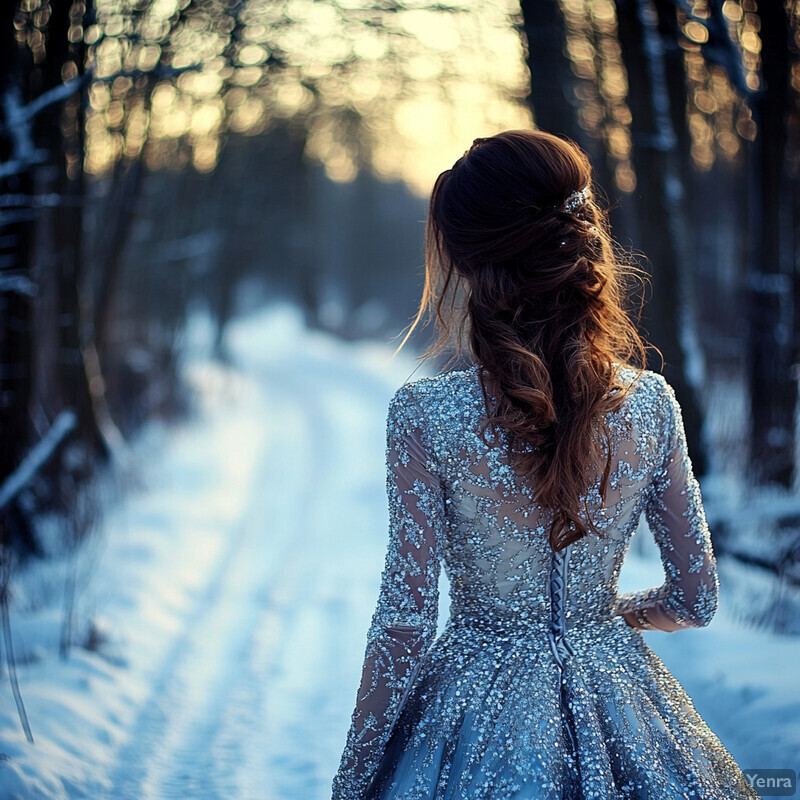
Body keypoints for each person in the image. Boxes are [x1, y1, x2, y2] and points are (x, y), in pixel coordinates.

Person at [331, 130, 760, 800]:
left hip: (471, 714)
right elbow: (694, 599)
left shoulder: (423, 416)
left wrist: (355, 775)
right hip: (622, 689)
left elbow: (407, 620)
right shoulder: (652, 404)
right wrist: (598, 616)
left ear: (469, 263)